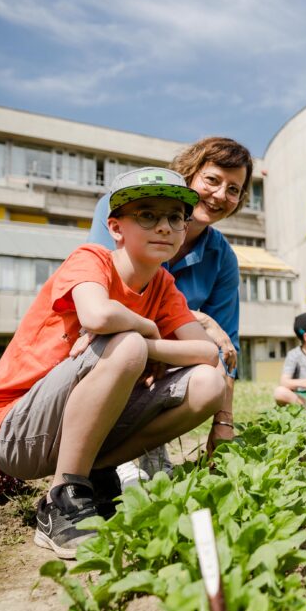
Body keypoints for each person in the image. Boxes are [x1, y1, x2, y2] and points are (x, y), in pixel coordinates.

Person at [0, 167, 226, 558]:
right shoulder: (91, 259)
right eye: (148, 215)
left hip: (77, 429)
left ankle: (90, 473)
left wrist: (148, 343)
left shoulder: (163, 285)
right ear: (116, 227)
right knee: (126, 345)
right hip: (16, 430)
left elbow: (206, 353)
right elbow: (98, 317)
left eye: (175, 217)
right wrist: (146, 328)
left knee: (209, 384)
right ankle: (60, 497)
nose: (165, 227)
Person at [88, 137, 252, 471]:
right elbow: (104, 295)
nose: (221, 195)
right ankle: (92, 459)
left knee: (209, 375)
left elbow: (227, 348)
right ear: (189, 175)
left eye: (234, 189)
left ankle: (118, 459)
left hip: (162, 364)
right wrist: (201, 319)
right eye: (212, 180)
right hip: (103, 352)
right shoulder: (121, 208)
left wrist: (224, 421)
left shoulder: (222, 258)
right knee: (125, 342)